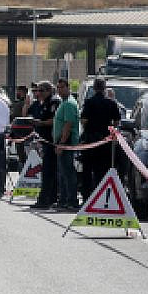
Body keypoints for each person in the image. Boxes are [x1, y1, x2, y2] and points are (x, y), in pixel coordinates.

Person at [78, 77, 119, 196]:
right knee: (102, 171)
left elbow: (84, 120)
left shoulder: (89, 102)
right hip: (105, 142)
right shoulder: (111, 103)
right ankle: (101, 196)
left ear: (94, 88)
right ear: (104, 88)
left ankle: (87, 197)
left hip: (90, 141)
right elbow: (116, 122)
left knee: (87, 170)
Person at [28, 81, 61, 211]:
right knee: (49, 171)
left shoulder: (54, 102)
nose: (38, 93)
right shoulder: (45, 103)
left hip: (52, 141)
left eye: (41, 91)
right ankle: (51, 198)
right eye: (37, 91)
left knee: (48, 172)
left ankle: (45, 200)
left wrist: (40, 123)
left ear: (48, 91)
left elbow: (54, 120)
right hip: (45, 141)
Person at [52, 78, 80, 211]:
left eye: (62, 87)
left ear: (68, 88)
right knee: (63, 173)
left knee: (68, 173)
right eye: (58, 87)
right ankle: (63, 200)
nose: (59, 90)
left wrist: (61, 143)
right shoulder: (64, 102)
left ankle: (71, 201)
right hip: (62, 141)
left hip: (66, 142)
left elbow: (68, 125)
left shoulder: (69, 103)